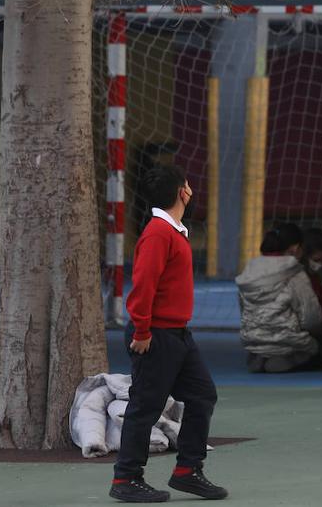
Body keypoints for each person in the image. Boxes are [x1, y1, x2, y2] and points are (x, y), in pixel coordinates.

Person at [110, 164, 227, 503]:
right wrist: (143, 330)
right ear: (182, 192)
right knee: (145, 406)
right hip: (155, 334)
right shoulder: (159, 233)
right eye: (188, 185)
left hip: (177, 334)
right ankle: (126, 478)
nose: (191, 189)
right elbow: (143, 286)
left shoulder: (174, 231)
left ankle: (188, 471)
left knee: (202, 395)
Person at [236, 222, 322, 373]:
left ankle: (262, 356)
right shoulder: (296, 274)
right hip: (287, 342)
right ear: (296, 249)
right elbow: (311, 319)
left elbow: (245, 312)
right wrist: (321, 324)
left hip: (253, 340)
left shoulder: (248, 271)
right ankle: (284, 358)